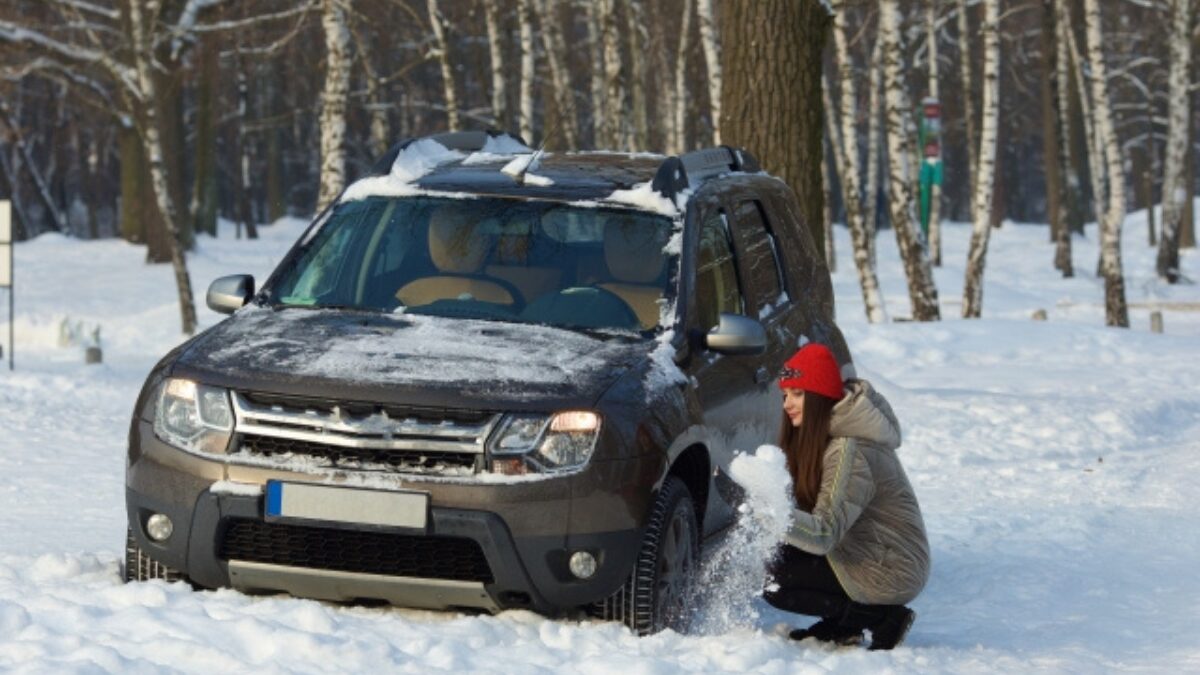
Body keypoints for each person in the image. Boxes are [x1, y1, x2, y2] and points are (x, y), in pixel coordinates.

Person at [763, 343, 930, 650]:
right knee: (776, 553)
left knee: (775, 577)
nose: (787, 403)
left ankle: (879, 618)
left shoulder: (849, 451)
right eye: (785, 394)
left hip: (890, 568)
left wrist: (765, 510)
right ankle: (844, 624)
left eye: (798, 393)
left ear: (820, 396)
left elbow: (823, 533)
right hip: (869, 552)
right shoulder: (826, 438)